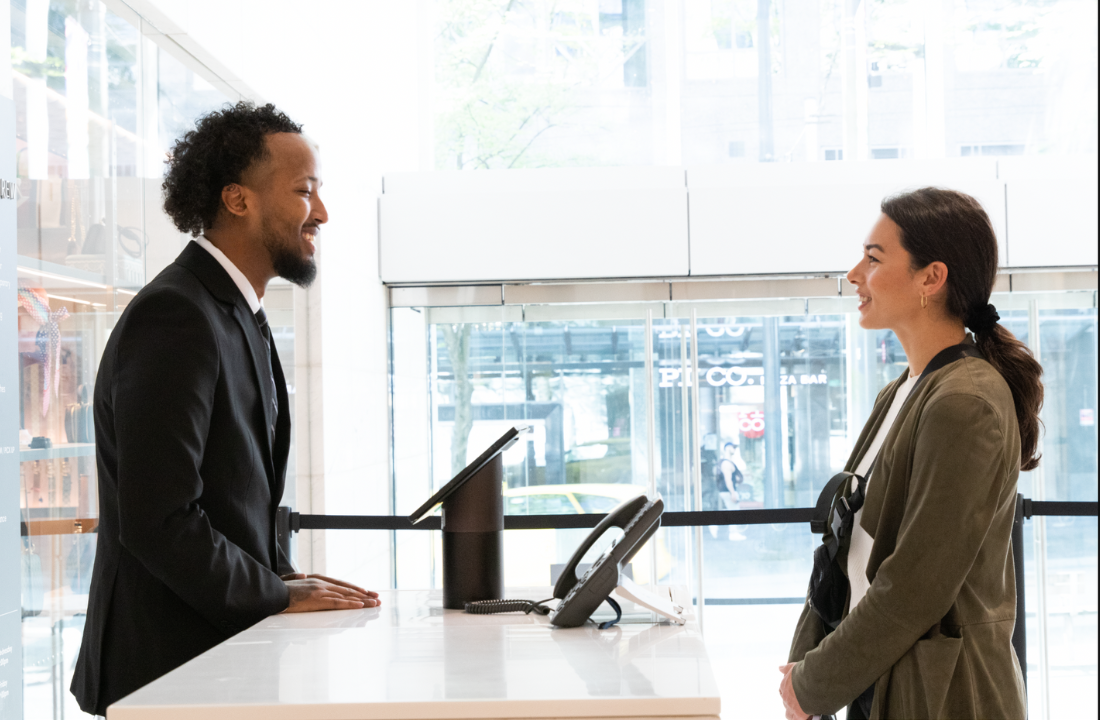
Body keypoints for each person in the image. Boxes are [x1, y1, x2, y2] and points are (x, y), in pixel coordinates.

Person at [72, 102, 381, 716]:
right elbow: (159, 520)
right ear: (238, 200)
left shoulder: (234, 314)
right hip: (165, 674)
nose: (321, 213)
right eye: (304, 192)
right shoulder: (177, 315)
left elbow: (233, 498)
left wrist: (286, 581)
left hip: (214, 665)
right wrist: (274, 594)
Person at [779, 188, 1041, 719]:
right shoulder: (903, 391)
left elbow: (915, 585)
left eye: (874, 259)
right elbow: (846, 548)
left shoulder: (964, 402)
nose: (854, 274)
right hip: (886, 683)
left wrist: (815, 682)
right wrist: (807, 666)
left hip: (947, 697)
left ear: (931, 278)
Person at [716, 441, 748, 540]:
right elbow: (728, 479)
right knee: (734, 512)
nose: (734, 449)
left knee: (732, 511)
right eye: (732, 447)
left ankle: (732, 533)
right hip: (728, 491)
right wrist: (732, 493)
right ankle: (733, 534)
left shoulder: (727, 462)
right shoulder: (726, 463)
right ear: (726, 448)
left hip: (727, 491)